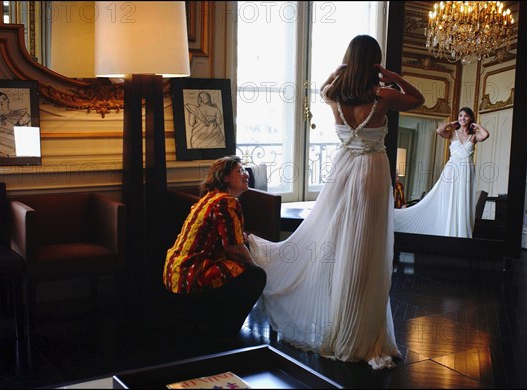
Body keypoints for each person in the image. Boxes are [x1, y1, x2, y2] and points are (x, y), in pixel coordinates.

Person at [247, 35, 424, 370]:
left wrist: (339, 70)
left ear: (348, 61)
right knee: (366, 248)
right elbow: (418, 98)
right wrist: (391, 75)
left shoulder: (333, 96)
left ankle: (340, 322)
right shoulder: (382, 95)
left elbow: (324, 86)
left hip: (343, 172)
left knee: (339, 243)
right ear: (374, 62)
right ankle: (357, 330)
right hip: (371, 173)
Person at [162, 155, 266, 336]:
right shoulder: (227, 202)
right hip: (192, 274)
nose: (246, 174)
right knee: (255, 275)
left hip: (175, 273)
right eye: (239, 171)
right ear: (225, 177)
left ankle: (199, 318)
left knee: (243, 266)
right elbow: (234, 249)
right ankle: (222, 331)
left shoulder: (210, 198)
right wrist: (255, 266)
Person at [393, 107, 490, 237]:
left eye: (466, 116)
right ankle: (447, 231)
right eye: (460, 115)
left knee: (463, 199)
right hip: (451, 170)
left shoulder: (473, 137)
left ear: (471, 118)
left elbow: (485, 135)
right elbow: (439, 130)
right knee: (448, 199)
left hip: (466, 171)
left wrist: (477, 125)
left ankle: (460, 234)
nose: (462, 118)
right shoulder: (452, 134)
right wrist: (451, 123)